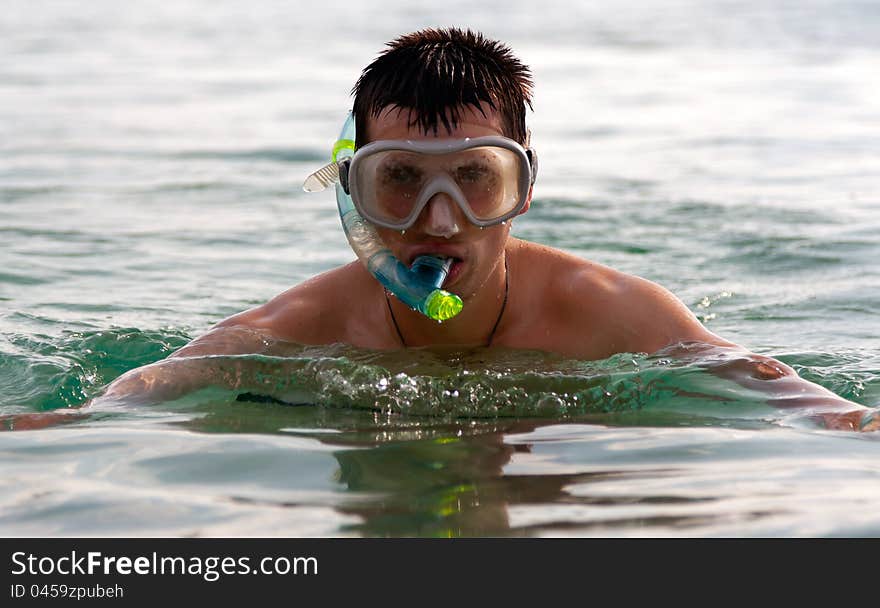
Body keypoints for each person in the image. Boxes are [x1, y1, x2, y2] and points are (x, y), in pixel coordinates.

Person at [100, 28, 877, 431]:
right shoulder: (303, 326)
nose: (440, 221)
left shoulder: (611, 312)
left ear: (524, 188)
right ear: (354, 200)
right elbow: (137, 395)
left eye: (477, 177)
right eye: (398, 179)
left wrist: (848, 420)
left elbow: (779, 393)